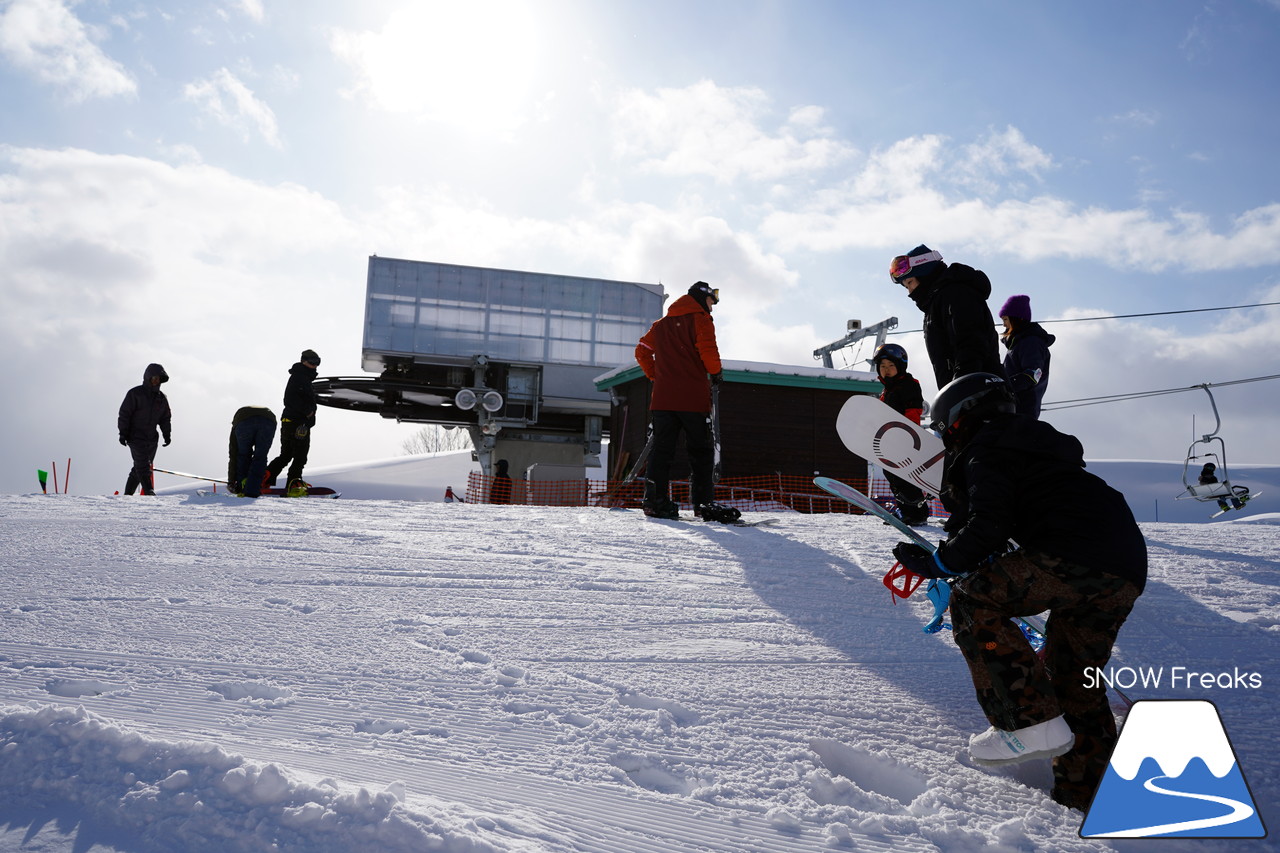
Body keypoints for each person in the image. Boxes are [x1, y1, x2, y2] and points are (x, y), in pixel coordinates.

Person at [891, 373, 1147, 811]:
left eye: (943, 426)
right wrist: (963, 543)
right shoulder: (1036, 449)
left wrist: (940, 563)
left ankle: (1024, 724)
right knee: (1075, 680)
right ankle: (1085, 799)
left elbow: (988, 524)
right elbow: (1003, 519)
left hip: (1070, 555)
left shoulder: (986, 447)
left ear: (960, 416)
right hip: (1123, 571)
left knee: (973, 599)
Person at [634, 281, 740, 523]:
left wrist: (656, 376)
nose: (713, 306)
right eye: (712, 301)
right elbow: (708, 350)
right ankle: (703, 505)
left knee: (661, 453)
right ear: (702, 298)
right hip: (692, 399)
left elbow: (641, 351)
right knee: (700, 453)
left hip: (662, 400)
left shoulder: (660, 326)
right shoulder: (700, 319)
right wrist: (716, 372)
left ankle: (655, 502)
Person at [890, 245, 1004, 389]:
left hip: (979, 393)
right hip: (963, 394)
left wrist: (960, 390)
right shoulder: (935, 305)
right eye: (906, 287)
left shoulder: (956, 294)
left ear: (925, 274)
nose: (910, 291)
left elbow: (971, 344)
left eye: (910, 282)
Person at [870, 343, 931, 526]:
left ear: (900, 367)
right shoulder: (888, 389)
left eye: (891, 366)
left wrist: (907, 435)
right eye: (882, 367)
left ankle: (917, 513)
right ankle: (904, 509)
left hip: (905, 439)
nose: (886, 370)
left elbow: (913, 412)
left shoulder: (908, 385)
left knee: (905, 476)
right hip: (889, 439)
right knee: (891, 474)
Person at [265, 349, 321, 495]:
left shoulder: (301, 377)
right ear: (303, 361)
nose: (315, 365)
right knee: (300, 455)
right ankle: (294, 483)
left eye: (317, 362)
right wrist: (307, 411)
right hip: (298, 423)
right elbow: (289, 399)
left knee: (286, 454)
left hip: (290, 421)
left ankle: (263, 478)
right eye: (312, 362)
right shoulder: (300, 377)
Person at [117, 363, 172, 495]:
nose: (156, 381)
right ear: (148, 378)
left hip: (152, 438)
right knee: (143, 465)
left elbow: (165, 418)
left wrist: (167, 434)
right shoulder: (135, 394)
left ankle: (127, 496)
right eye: (154, 378)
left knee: (139, 468)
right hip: (135, 436)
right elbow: (124, 414)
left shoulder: (161, 398)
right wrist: (123, 433)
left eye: (159, 379)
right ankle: (149, 491)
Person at [998, 295, 1054, 418]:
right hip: (1011, 407)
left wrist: (1003, 388)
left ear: (1017, 319)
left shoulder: (1031, 342)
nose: (1004, 325)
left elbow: (1033, 374)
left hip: (1023, 410)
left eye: (1006, 319)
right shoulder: (1018, 344)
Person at [227, 406, 277, 497]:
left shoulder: (236, 423)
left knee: (243, 455)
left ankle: (243, 488)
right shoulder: (238, 420)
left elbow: (233, 453)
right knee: (260, 456)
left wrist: (231, 481)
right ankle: (253, 488)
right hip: (269, 419)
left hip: (243, 419)